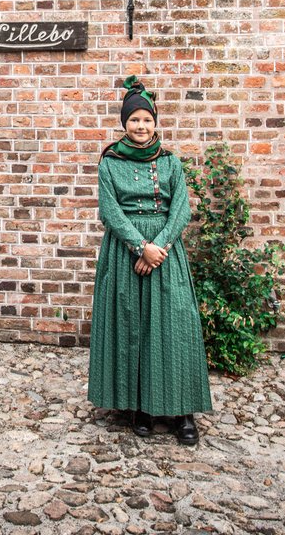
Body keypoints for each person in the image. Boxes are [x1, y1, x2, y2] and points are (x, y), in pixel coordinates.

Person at [87, 75, 212, 445]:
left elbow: (182, 209)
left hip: (166, 254)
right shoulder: (109, 163)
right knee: (135, 327)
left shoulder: (171, 163)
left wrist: (159, 245)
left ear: (155, 122)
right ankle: (141, 406)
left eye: (146, 119)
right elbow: (110, 210)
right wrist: (140, 246)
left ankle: (183, 411)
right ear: (124, 124)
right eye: (134, 120)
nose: (141, 126)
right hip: (126, 253)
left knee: (175, 328)